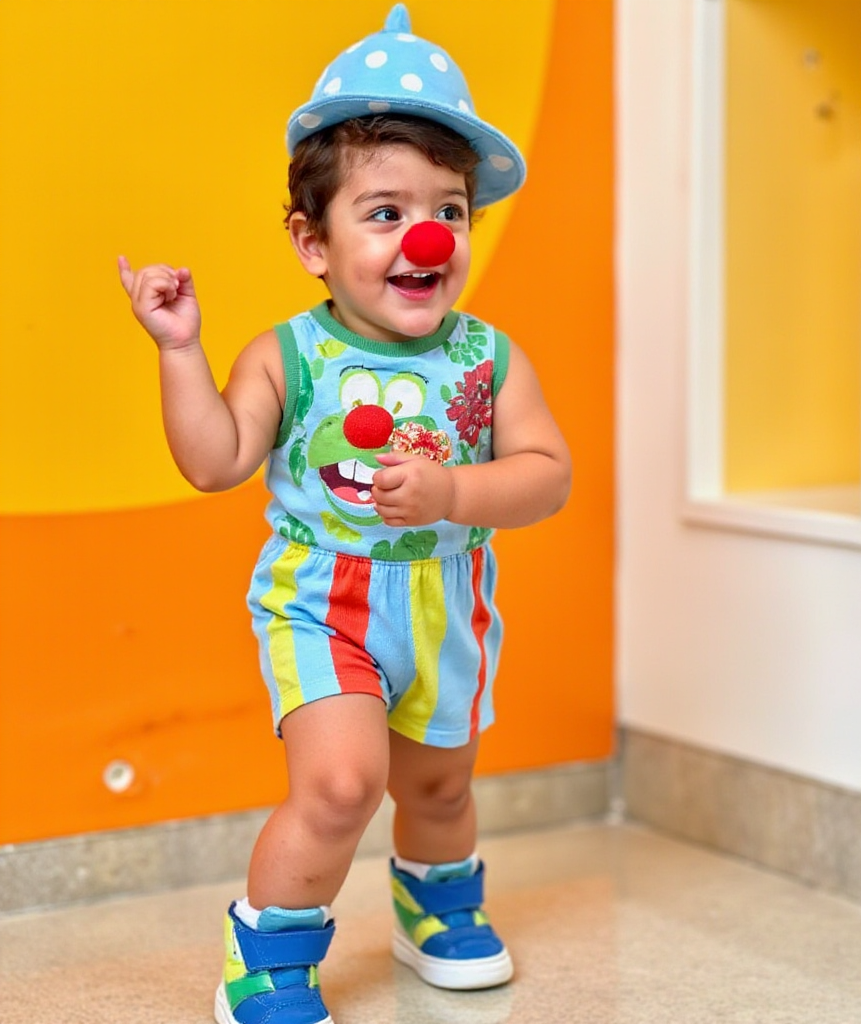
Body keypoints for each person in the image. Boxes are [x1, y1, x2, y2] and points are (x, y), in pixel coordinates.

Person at [118, 6, 571, 1024]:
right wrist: (180, 350)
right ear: (309, 241)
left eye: (449, 211)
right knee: (338, 782)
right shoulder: (286, 354)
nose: (426, 235)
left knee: (441, 788)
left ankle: (434, 902)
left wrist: (456, 490)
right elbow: (215, 461)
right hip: (323, 600)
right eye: (384, 212)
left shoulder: (489, 359)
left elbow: (548, 475)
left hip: (444, 603)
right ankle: (269, 949)